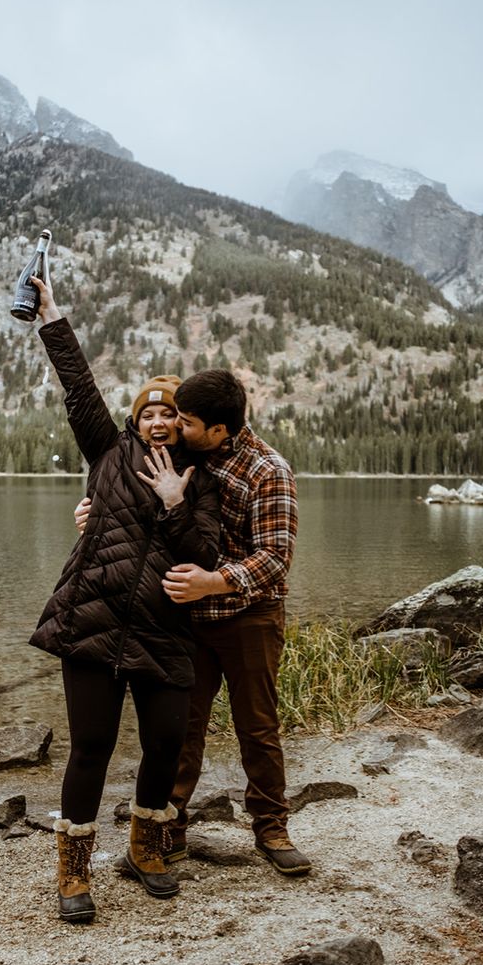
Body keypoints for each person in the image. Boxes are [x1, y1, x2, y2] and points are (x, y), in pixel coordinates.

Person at [28, 278, 221, 924]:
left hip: (164, 630)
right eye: (149, 411)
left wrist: (173, 503)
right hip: (93, 621)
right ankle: (73, 872)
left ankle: (144, 848)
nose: (160, 419)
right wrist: (52, 317)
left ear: (183, 425)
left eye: (170, 412)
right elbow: (79, 387)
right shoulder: (106, 451)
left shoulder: (199, 481)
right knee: (91, 747)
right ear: (136, 419)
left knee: (165, 743)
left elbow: (207, 555)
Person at [77, 368, 311, 877]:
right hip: (186, 618)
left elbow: (275, 558)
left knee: (258, 726)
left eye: (185, 419)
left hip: (249, 615)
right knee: (182, 729)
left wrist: (214, 580)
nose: (174, 426)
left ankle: (271, 825)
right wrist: (93, 513)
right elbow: (126, 497)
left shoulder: (268, 470)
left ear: (220, 429)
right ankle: (168, 822)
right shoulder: (181, 454)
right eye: (172, 417)